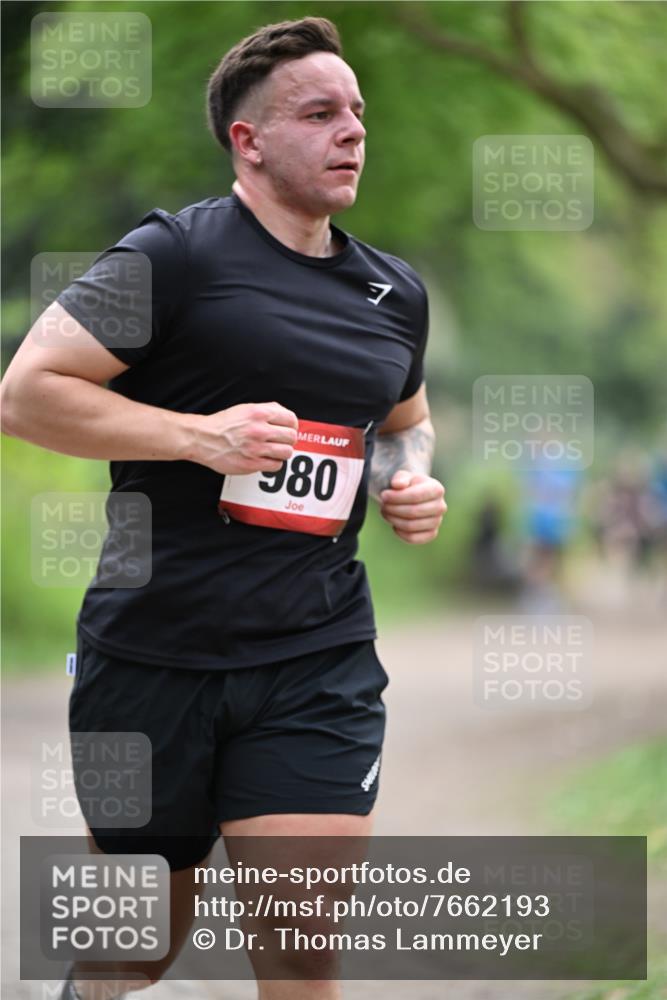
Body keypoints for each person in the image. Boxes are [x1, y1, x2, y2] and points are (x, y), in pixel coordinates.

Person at [1, 17, 446, 999]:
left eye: (358, 113)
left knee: (295, 946)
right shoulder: (170, 257)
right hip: (149, 655)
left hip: (314, 656)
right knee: (134, 947)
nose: (353, 133)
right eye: (320, 113)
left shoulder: (392, 293)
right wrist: (200, 437)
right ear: (247, 140)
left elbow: (405, 421)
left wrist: (404, 479)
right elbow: (27, 394)